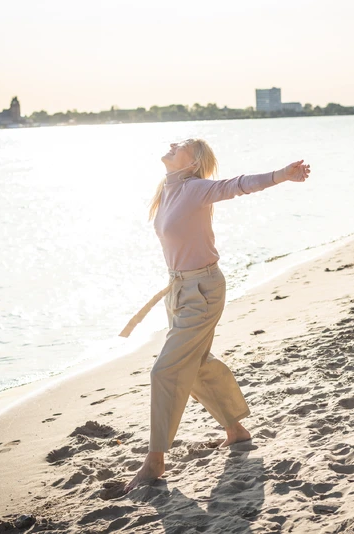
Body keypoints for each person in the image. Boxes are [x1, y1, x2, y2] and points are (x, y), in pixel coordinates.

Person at [124, 139, 311, 493]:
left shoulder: (195, 188)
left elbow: (237, 185)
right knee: (194, 363)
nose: (171, 144)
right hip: (178, 291)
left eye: (180, 145)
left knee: (165, 370)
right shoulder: (168, 190)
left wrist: (281, 175)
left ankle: (155, 460)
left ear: (193, 162)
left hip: (203, 291)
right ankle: (236, 430)